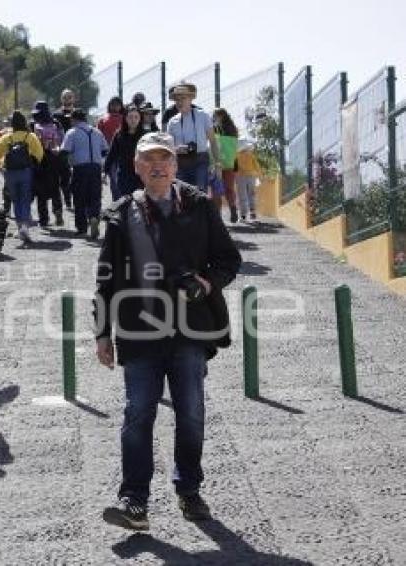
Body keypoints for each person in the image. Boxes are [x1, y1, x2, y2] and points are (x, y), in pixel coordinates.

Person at [94, 131, 241, 531]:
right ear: (137, 167)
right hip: (139, 329)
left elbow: (229, 259)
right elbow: (105, 277)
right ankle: (134, 501)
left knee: (191, 413)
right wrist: (101, 332)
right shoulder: (123, 213)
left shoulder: (199, 206)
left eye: (165, 158)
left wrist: (207, 282)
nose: (158, 166)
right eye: (149, 160)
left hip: (190, 328)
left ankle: (189, 490)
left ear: (176, 165)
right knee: (137, 414)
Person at [0, 110, 44, 243]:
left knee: (15, 199)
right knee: (25, 198)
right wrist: (34, 163)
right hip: (25, 171)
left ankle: (20, 226)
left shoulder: (7, 137)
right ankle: (24, 226)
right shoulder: (30, 136)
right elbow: (39, 154)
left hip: (10, 172)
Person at [60, 108, 109, 239]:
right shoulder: (97, 132)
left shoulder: (72, 132)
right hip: (96, 168)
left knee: (79, 198)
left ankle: (81, 228)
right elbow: (105, 151)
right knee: (94, 196)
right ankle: (94, 217)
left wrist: (66, 165)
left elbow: (64, 151)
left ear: (74, 119)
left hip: (80, 169)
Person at [165, 83, 221, 193]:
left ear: (191, 99)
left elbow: (213, 141)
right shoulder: (172, 122)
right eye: (177, 99)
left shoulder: (203, 116)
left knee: (200, 195)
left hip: (200, 160)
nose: (179, 102)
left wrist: (218, 164)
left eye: (183, 98)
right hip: (181, 162)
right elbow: (169, 147)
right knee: (182, 196)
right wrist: (177, 149)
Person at [30, 100, 65, 227]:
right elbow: (62, 140)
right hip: (54, 158)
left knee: (40, 192)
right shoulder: (56, 123)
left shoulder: (33, 124)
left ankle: (44, 219)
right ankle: (58, 211)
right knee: (55, 188)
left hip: (39, 160)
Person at [104, 104, 145, 200]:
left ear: (140, 119)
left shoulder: (145, 135)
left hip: (141, 176)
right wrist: (105, 171)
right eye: (130, 117)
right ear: (125, 118)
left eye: (136, 117)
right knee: (125, 204)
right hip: (124, 176)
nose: (133, 120)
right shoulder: (119, 135)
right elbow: (112, 154)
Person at [212, 108, 240, 222]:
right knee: (229, 188)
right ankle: (233, 209)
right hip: (230, 162)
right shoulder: (233, 129)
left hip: (217, 162)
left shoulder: (215, 129)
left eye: (215, 116)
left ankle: (217, 215)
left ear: (221, 116)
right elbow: (234, 147)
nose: (214, 118)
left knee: (216, 189)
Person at [54, 89, 77, 209]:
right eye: (65, 97)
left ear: (74, 98)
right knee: (64, 177)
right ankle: (68, 200)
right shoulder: (56, 115)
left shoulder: (78, 114)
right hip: (63, 150)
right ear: (61, 99)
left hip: (77, 149)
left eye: (69, 97)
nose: (67, 100)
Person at [236, 139, 262, 221]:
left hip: (241, 177)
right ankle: (253, 212)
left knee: (242, 196)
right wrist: (260, 175)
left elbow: (235, 168)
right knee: (251, 195)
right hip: (251, 176)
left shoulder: (236, 156)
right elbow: (257, 166)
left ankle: (243, 215)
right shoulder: (251, 155)